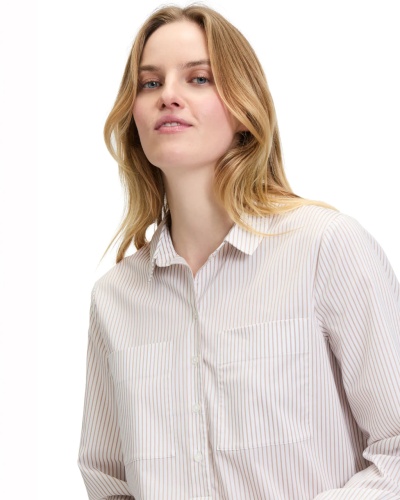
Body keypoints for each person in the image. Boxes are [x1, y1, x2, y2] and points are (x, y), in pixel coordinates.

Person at [77, 4, 400, 499]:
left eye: (199, 78)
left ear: (244, 109)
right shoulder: (114, 298)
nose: (168, 96)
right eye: (150, 83)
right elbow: (109, 482)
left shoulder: (325, 248)